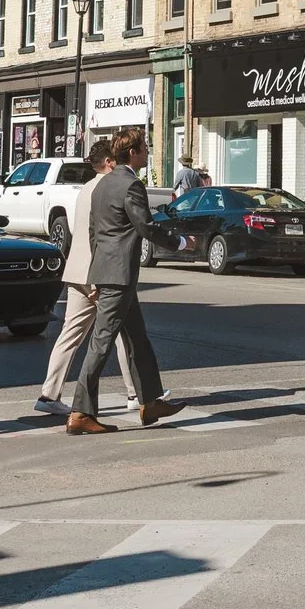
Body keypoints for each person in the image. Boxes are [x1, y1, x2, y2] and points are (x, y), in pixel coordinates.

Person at [72, 129, 183, 432]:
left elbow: (95, 233)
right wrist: (179, 243)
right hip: (119, 276)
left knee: (138, 341)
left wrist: (98, 270)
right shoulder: (131, 184)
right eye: (145, 148)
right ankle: (81, 411)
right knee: (101, 343)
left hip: (109, 272)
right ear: (133, 152)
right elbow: (145, 226)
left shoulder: (102, 184)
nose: (147, 153)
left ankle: (151, 402)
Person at [35, 147, 105, 417]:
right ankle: (137, 393)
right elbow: (99, 235)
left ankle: (49, 393)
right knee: (124, 332)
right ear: (109, 162)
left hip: (77, 270)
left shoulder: (85, 188)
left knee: (69, 335)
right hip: (97, 272)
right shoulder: (107, 189)